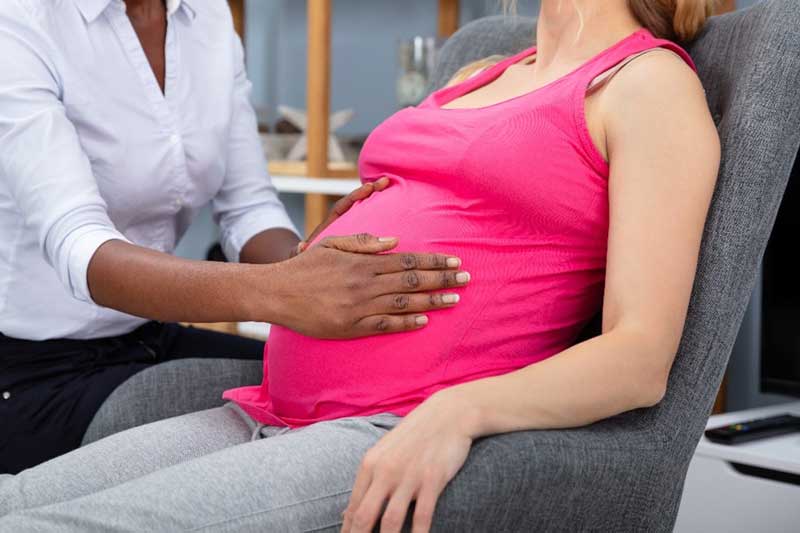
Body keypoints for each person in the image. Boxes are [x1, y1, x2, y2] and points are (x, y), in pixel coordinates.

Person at [0, 0, 722, 531]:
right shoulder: (479, 74)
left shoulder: (647, 86)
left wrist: (459, 410)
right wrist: (320, 261)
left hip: (388, 423)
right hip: (272, 410)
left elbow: (640, 355)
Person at [0, 0, 468, 474]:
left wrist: (308, 259)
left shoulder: (207, 16)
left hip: (149, 338)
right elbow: (81, 249)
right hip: (36, 374)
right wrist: (285, 291)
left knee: (359, 382)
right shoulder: (20, 22)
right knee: (318, 409)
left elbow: (248, 207)